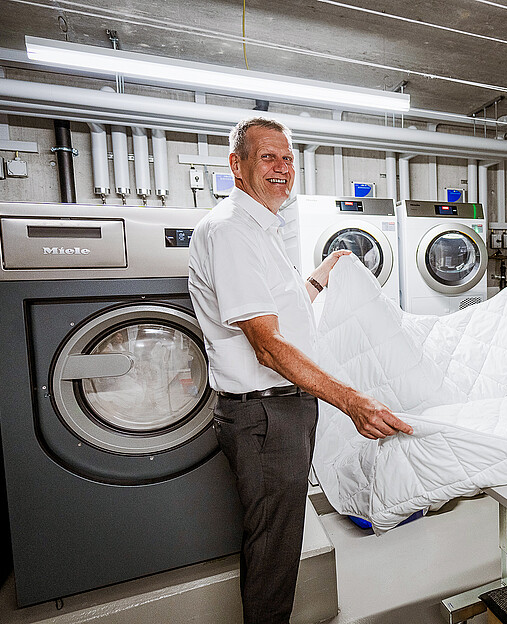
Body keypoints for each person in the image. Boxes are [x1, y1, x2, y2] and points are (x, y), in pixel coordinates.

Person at [188, 117, 412, 624]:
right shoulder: (231, 233)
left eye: (287, 158)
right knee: (273, 548)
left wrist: (321, 275)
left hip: (279, 412)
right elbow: (266, 346)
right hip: (265, 416)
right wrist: (350, 400)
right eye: (268, 157)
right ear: (237, 166)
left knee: (279, 540)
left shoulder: (262, 232)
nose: (282, 168)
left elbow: (281, 314)